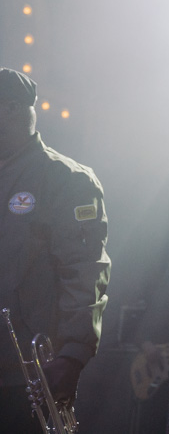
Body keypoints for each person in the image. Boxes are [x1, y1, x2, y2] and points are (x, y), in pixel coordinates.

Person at [0, 67, 111, 431]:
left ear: (13, 109)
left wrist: (72, 355)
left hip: (25, 379)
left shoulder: (66, 179)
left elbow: (86, 269)